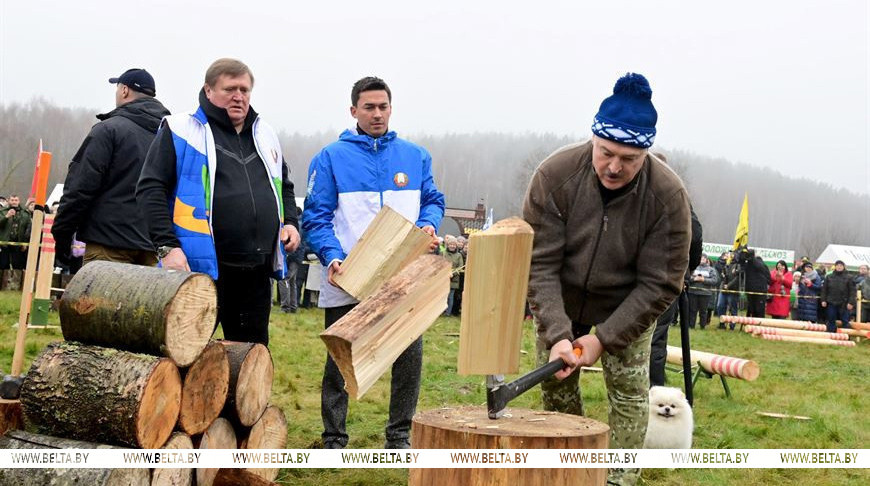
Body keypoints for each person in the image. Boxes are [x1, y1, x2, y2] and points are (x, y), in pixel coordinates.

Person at [523, 73, 690, 486]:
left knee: (630, 394)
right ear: (593, 140)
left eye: (629, 159)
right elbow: (538, 263)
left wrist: (604, 337)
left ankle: (618, 477)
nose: (614, 166)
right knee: (556, 390)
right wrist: (558, 332)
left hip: (627, 305)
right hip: (561, 300)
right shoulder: (555, 175)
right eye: (605, 152)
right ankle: (568, 471)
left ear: (645, 153)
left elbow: (661, 283)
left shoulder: (667, 196)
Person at [302, 76, 445, 449]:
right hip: (349, 277)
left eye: (383, 106)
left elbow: (433, 199)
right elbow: (315, 216)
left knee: (408, 359)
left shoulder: (415, 156)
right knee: (341, 360)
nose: (377, 113)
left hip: (403, 278)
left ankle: (399, 437)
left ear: (391, 109)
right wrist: (332, 256)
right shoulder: (331, 157)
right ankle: (334, 437)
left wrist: (428, 223)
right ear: (354, 111)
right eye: (369, 107)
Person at [137, 58, 299, 346]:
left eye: (245, 90)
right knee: (185, 356)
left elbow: (284, 185)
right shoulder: (180, 130)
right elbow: (150, 189)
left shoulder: (266, 134)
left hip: (255, 272)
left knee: (250, 361)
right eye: (230, 89)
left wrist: (290, 223)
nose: (239, 96)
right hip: (199, 270)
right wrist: (166, 247)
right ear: (208, 90)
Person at [53, 68, 170, 266]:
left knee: (101, 298)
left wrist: (62, 235)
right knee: (143, 299)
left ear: (124, 90)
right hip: (154, 247)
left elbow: (80, 188)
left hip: (108, 244)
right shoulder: (171, 135)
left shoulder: (108, 130)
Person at [820, 260, 855, 332]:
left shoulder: (849, 277)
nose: (839, 267)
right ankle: (831, 335)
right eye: (837, 265)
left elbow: (852, 291)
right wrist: (823, 300)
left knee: (845, 320)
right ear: (835, 267)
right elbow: (824, 290)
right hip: (831, 302)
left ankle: (846, 335)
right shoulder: (829, 277)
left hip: (844, 303)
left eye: (841, 266)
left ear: (843, 267)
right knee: (831, 319)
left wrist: (851, 302)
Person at [687, 254, 719, 329]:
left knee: (703, 311)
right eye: (700, 258)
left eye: (703, 258)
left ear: (706, 260)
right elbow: (687, 277)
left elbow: (714, 280)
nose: (702, 260)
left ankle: (702, 326)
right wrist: (694, 279)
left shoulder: (711, 269)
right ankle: (691, 325)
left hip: (705, 294)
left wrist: (704, 280)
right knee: (692, 310)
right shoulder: (693, 268)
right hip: (692, 292)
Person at [0, 195, 32, 270]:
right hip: (4, 242)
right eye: (12, 200)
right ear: (8, 201)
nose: (14, 202)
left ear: (19, 201)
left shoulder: (25, 213)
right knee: (3, 264)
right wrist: (6, 216)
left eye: (16, 200)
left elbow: (28, 229)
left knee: (17, 265)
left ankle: (16, 281)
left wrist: (25, 243)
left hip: (19, 243)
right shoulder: (2, 212)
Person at [741, 248, 770, 318]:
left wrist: (752, 258)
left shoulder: (761, 265)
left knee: (758, 310)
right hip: (752, 289)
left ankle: (759, 326)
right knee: (752, 309)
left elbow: (768, 277)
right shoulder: (748, 264)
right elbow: (742, 274)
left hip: (759, 291)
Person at [717, 251, 741, 327]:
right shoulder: (726, 264)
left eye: (731, 254)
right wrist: (723, 279)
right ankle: (722, 323)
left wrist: (729, 286)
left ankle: (732, 325)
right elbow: (723, 276)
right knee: (720, 306)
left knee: (733, 308)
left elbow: (737, 278)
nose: (729, 255)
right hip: (724, 289)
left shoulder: (738, 265)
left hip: (733, 290)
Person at [442, 235, 464, 316]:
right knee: (443, 296)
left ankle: (448, 312)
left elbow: (460, 267)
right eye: (450, 244)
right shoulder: (444, 253)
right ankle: (441, 311)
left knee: (450, 296)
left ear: (456, 246)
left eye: (454, 244)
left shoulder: (459, 255)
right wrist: (445, 273)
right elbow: (441, 264)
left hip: (453, 279)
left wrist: (452, 273)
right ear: (448, 245)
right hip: (444, 278)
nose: (452, 246)